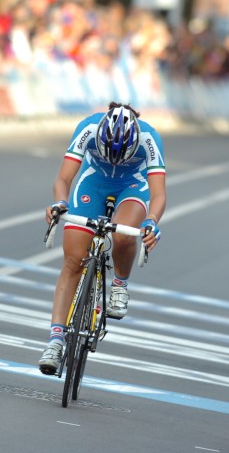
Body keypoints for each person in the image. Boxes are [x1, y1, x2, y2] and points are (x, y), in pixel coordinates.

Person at [38, 102, 167, 375]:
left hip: (132, 186)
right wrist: (60, 203)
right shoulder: (88, 127)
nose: (115, 162)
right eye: (109, 156)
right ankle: (55, 341)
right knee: (73, 261)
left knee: (122, 234)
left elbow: (158, 194)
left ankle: (119, 285)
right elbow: (64, 178)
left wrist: (152, 222)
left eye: (122, 157)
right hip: (93, 183)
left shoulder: (149, 137)